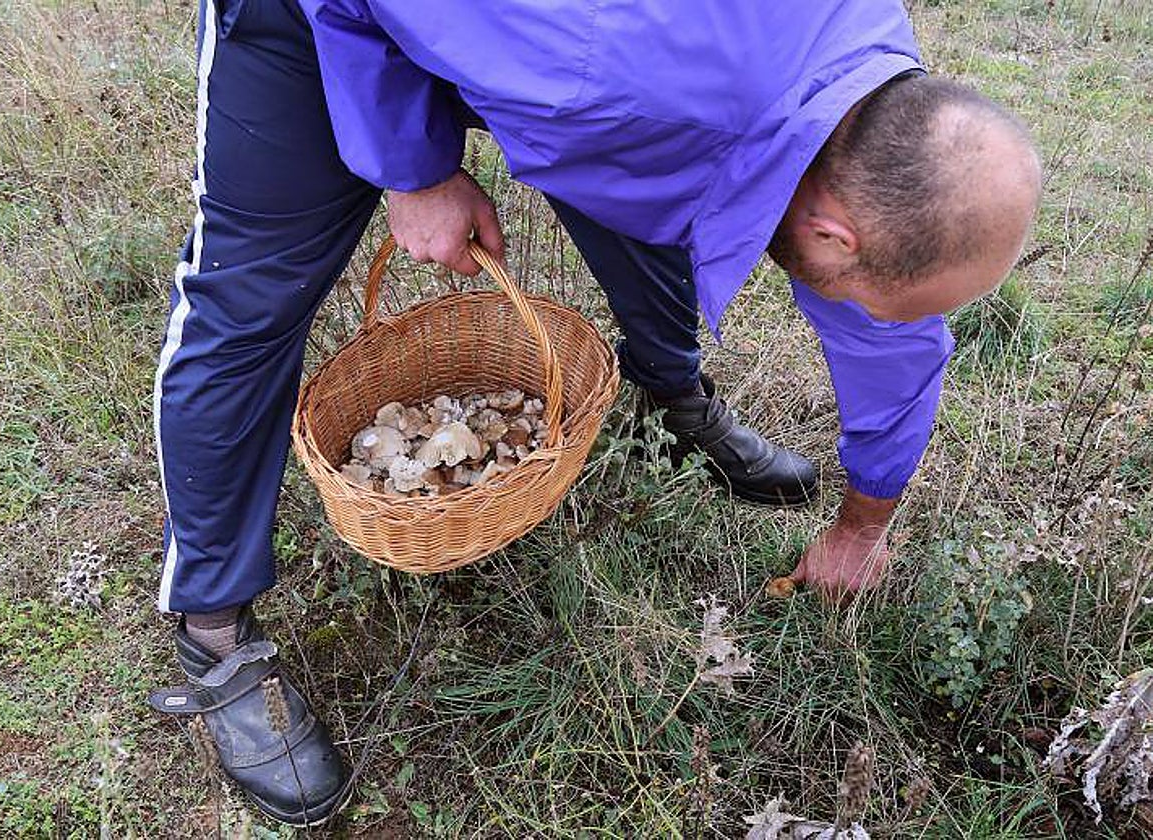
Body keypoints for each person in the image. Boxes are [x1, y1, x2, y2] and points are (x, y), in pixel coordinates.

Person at [147, 0, 1042, 825]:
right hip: (331, 18)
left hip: (570, 68)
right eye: (869, 297)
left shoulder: (870, 99)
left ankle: (671, 400)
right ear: (833, 234)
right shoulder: (603, 65)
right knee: (248, 302)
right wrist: (414, 168)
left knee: (652, 184)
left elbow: (892, 343)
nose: (873, 318)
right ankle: (214, 634)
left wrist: (862, 526)